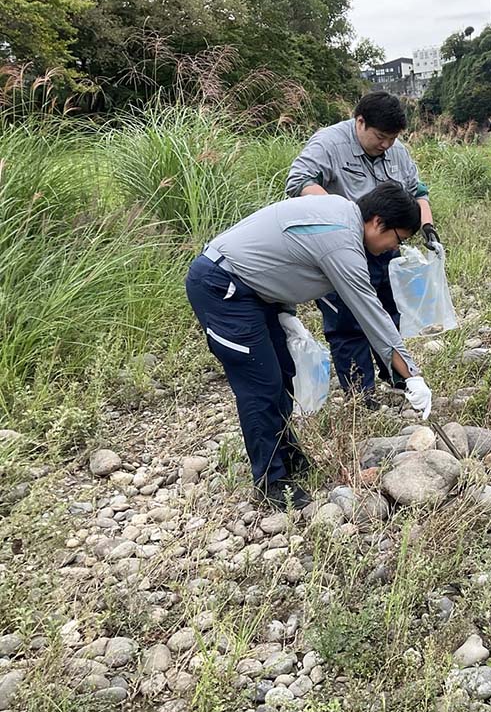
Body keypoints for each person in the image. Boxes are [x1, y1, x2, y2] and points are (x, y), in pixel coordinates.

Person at [186, 183, 433, 510]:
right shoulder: (342, 243)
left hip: (257, 293)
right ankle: (270, 482)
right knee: (261, 384)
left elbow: (283, 255)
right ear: (377, 222)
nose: (392, 248)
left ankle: (288, 456)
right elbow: (372, 314)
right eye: (396, 239)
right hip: (223, 288)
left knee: (283, 372)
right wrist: (411, 375)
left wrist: (284, 310)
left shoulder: (344, 216)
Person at [286, 92, 442, 409]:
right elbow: (298, 181)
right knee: (348, 324)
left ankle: (400, 378)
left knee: (389, 311)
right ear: (360, 121)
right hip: (340, 250)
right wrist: (343, 215)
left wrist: (427, 227)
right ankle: (362, 395)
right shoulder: (329, 143)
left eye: (393, 138)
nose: (386, 145)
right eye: (380, 137)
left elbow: (418, 191)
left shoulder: (396, 151)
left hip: (384, 246)